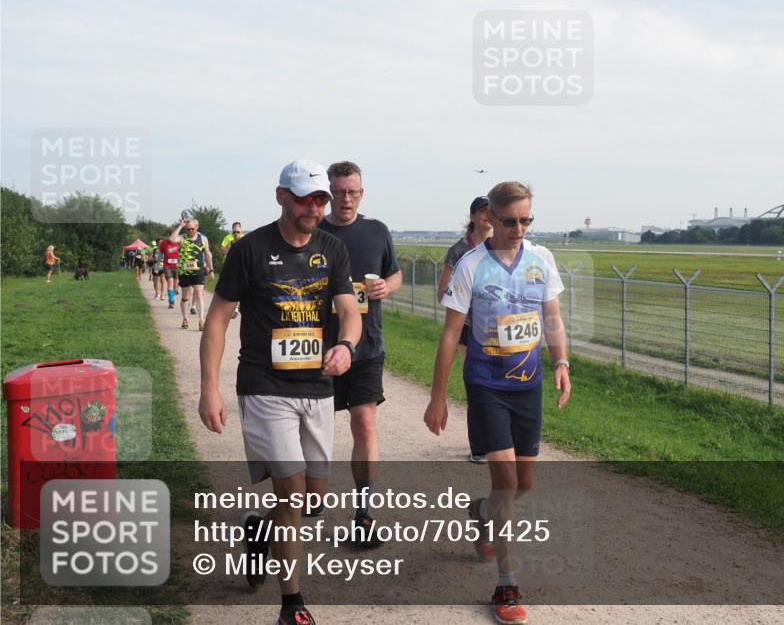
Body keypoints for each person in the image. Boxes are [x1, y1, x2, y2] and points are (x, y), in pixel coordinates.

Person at [199, 159, 361, 625]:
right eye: (305, 198)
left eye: (320, 200)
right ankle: (293, 605)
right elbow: (216, 320)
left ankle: (259, 532)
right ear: (281, 197)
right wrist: (210, 389)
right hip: (264, 386)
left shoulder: (332, 248)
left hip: (317, 386)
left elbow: (349, 310)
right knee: (290, 490)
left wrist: (346, 345)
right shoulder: (249, 250)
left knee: (313, 498)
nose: (314, 207)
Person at [423, 181, 571, 625]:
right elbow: (452, 333)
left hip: (528, 384)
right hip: (487, 384)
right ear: (489, 216)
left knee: (523, 485)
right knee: (506, 478)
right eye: (510, 221)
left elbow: (552, 319)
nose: (519, 228)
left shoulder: (542, 260)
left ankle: (482, 512)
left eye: (526, 220)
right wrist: (438, 396)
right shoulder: (471, 265)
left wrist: (561, 361)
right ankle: (507, 584)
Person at [317, 161, 402, 547]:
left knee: (364, 424)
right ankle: (304, 497)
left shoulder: (376, 230)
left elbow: (394, 272)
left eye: (352, 191)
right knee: (313, 430)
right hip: (318, 350)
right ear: (327, 193)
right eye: (338, 191)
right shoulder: (313, 230)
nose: (345, 199)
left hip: (366, 346)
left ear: (362, 193)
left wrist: (388, 286)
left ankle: (364, 511)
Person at [437, 196, 493, 463]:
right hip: (468, 326)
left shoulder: (502, 247)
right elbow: (443, 292)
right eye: (483, 212)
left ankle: (502, 439)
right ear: (473, 217)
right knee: (479, 383)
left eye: (492, 212)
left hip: (496, 327)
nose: (488, 216)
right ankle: (480, 445)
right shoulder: (460, 251)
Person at [170, 218, 214, 330]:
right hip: (184, 271)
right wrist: (180, 226)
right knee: (185, 297)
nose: (190, 231)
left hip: (198, 270)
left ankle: (201, 320)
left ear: (197, 227)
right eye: (188, 229)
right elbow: (172, 239)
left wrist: (211, 269)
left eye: (192, 229)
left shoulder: (203, 239)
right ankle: (185, 318)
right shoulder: (182, 238)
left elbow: (208, 254)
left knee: (199, 293)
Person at [220, 222, 244, 319]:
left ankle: (236, 309)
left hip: (240, 266)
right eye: (234, 232)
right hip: (229, 265)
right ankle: (232, 308)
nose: (236, 234)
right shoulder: (228, 238)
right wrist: (226, 250)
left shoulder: (244, 239)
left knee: (240, 287)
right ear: (232, 231)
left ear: (241, 231)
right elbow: (221, 249)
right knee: (230, 286)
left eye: (238, 232)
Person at [159, 231, 181, 308]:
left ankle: (172, 298)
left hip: (176, 266)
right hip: (167, 266)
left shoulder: (179, 242)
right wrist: (158, 263)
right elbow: (160, 254)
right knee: (170, 282)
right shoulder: (163, 243)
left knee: (175, 285)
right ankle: (171, 301)